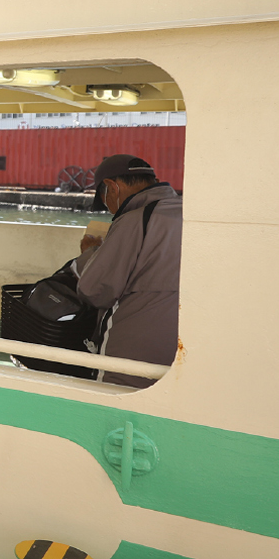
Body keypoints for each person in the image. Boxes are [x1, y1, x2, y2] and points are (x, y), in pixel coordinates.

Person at [74, 154, 183, 388]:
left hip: (131, 348)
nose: (108, 207)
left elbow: (94, 290)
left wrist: (91, 254)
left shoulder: (133, 220)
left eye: (104, 199)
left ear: (111, 187)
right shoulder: (187, 213)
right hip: (178, 346)